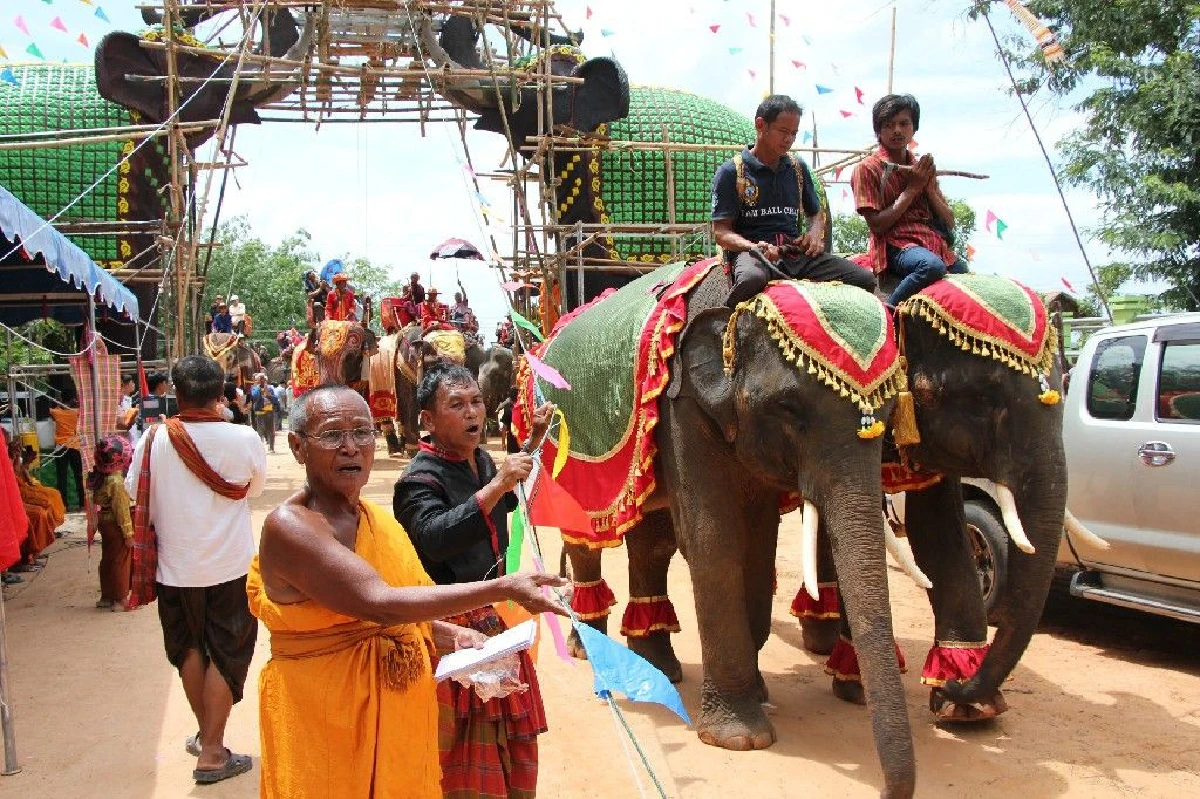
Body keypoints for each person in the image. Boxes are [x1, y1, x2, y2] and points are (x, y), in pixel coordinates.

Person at [249, 384, 566, 798]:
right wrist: (503, 587)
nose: (350, 447)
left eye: (362, 432)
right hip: (327, 713)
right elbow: (379, 604)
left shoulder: (374, 521)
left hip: (400, 710)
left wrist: (454, 636)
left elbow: (393, 612)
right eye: (331, 435)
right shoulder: (290, 527)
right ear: (297, 446)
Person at [395, 365, 557, 799]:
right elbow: (436, 538)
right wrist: (498, 485)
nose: (472, 414)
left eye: (476, 402)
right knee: (467, 750)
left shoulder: (481, 461)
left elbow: (499, 500)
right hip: (453, 631)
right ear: (427, 420)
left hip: (495, 621)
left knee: (512, 734)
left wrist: (532, 445)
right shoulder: (417, 480)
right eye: (457, 405)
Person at [126, 355, 266, 785]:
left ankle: (209, 735)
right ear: (220, 394)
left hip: (175, 570)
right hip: (231, 568)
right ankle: (210, 752)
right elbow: (254, 490)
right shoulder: (243, 438)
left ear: (175, 393)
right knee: (226, 654)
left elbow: (135, 491)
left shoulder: (154, 440)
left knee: (189, 650)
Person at [713, 94, 877, 308]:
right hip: (753, 254)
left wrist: (815, 234)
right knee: (751, 280)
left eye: (794, 133)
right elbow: (721, 232)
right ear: (760, 125)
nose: (789, 139)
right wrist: (753, 246)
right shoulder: (731, 172)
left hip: (794, 253)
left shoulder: (797, 167)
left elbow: (815, 212)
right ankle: (722, 325)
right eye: (783, 131)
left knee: (863, 279)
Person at [851, 93, 969, 307]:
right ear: (878, 130)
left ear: (913, 128)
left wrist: (929, 187)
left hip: (932, 242)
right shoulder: (867, 168)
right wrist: (912, 189)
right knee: (931, 267)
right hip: (895, 245)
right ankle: (889, 311)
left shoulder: (921, 168)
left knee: (965, 275)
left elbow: (950, 221)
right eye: (889, 124)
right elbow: (877, 225)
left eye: (904, 123)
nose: (897, 130)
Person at [88, 435, 134, 610]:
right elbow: (122, 510)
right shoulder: (116, 481)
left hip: (104, 522)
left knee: (107, 558)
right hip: (115, 524)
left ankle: (106, 596)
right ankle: (120, 599)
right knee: (120, 560)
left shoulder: (99, 477)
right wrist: (128, 534)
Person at [49, 392, 84, 511]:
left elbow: (52, 410)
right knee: (79, 475)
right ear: (73, 399)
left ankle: (64, 505)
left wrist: (59, 402)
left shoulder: (56, 412)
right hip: (75, 446)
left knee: (61, 476)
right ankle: (82, 503)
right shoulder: (77, 412)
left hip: (61, 446)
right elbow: (82, 407)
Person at [250, 373, 278, 453]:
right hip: (260, 412)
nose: (261, 381)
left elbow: (275, 400)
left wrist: (269, 394)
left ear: (265, 380)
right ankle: (259, 449)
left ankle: (271, 447)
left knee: (271, 430)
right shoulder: (255, 389)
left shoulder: (270, 388)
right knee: (260, 431)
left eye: (263, 379)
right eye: (259, 380)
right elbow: (254, 398)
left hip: (269, 411)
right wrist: (259, 389)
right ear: (257, 381)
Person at [117, 374, 140, 446]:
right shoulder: (121, 400)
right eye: (131, 383)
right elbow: (126, 419)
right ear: (125, 385)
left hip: (131, 433)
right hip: (125, 435)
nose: (133, 384)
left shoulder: (128, 399)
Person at [497, 387, 520, 454]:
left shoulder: (508, 411)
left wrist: (503, 443)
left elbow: (504, 428)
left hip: (511, 444)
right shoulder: (524, 410)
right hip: (523, 443)